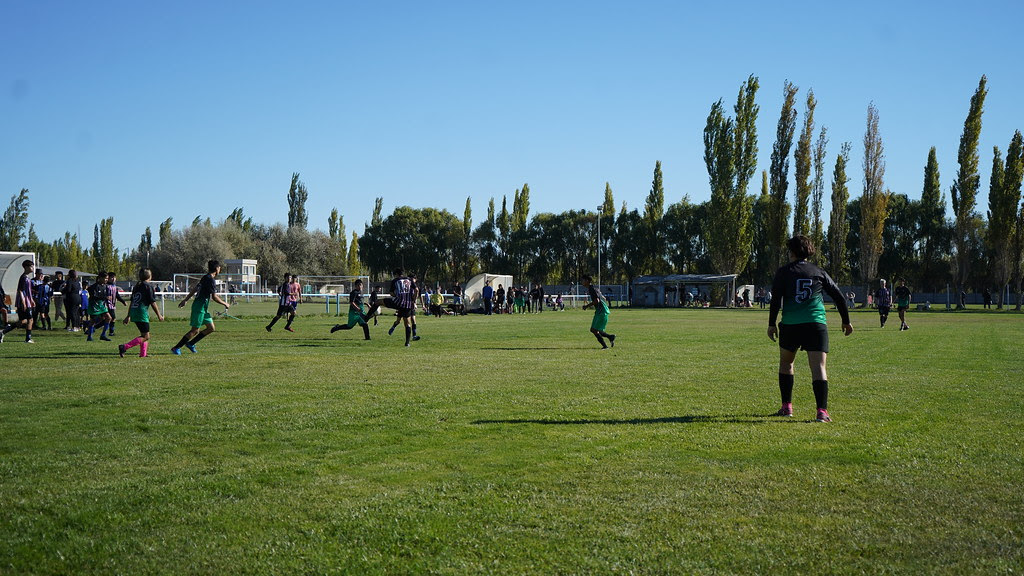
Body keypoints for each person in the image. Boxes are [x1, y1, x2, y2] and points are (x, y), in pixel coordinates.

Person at [767, 235, 853, 423]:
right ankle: (822, 412)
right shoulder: (818, 271)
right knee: (819, 367)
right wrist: (846, 321)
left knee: (786, 364)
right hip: (815, 324)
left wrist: (771, 323)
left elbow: (775, 300)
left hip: (791, 324)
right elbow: (839, 296)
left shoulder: (783, 272)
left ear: (792, 251)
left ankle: (786, 407)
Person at [171, 260, 230, 355]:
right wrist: (225, 303)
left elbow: (195, 288)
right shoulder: (210, 280)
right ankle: (176, 348)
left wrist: (186, 300)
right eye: (219, 267)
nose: (220, 269)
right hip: (199, 307)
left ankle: (191, 344)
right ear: (216, 268)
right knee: (195, 330)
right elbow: (214, 297)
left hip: (203, 307)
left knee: (211, 328)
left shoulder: (205, 277)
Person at [365, 268, 419, 346]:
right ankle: (407, 343)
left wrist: (397, 295)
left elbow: (391, 293)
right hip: (407, 304)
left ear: (396, 274)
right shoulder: (410, 280)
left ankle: (366, 318)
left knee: (378, 302)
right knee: (407, 323)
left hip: (397, 303)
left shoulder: (395, 280)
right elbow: (416, 290)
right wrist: (413, 298)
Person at [119, 268, 164, 357]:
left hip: (134, 311)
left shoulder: (137, 286)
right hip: (141, 312)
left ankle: (143, 354)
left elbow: (132, 302)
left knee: (143, 334)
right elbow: (152, 302)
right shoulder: (148, 286)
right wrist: (159, 315)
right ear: (149, 276)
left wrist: (128, 315)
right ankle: (124, 347)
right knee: (146, 336)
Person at [2, 259, 37, 343]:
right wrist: (24, 302)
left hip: (27, 301)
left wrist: (31, 300)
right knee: (30, 319)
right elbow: (20, 291)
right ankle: (28, 338)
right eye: (31, 266)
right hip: (23, 302)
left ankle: (3, 332)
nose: (33, 268)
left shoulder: (28, 278)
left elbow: (28, 291)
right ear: (26, 267)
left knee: (23, 321)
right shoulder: (23, 278)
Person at [581, 274, 616, 349]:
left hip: (602, 311)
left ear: (587, 281)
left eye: (583, 280)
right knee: (594, 330)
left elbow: (596, 300)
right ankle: (610, 337)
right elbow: (603, 298)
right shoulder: (594, 288)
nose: (582, 282)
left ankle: (605, 346)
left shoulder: (592, 289)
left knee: (595, 330)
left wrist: (586, 306)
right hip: (600, 311)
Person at [85, 272, 113, 342]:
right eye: (105, 278)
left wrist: (107, 298)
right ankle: (89, 336)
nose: (106, 280)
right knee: (93, 321)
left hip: (102, 305)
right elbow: (94, 296)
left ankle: (103, 335)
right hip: (94, 305)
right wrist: (105, 297)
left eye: (107, 278)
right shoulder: (94, 287)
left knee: (108, 318)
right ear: (100, 278)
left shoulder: (105, 286)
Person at [101, 272, 128, 339]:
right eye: (112, 277)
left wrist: (123, 301)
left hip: (112, 304)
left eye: (114, 277)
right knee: (112, 318)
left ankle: (91, 327)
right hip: (107, 304)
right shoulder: (106, 286)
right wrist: (106, 297)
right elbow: (102, 294)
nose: (113, 279)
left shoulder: (114, 287)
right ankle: (111, 332)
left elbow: (117, 295)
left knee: (107, 319)